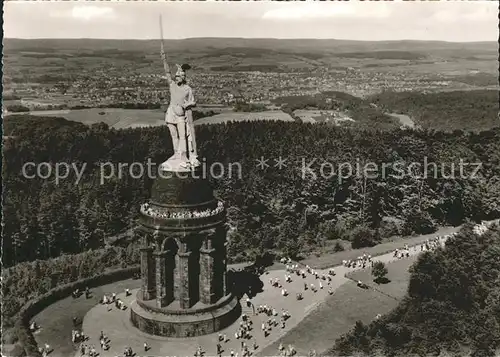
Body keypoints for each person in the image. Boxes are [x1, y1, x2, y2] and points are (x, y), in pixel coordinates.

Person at [160, 50, 199, 168]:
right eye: (176, 76)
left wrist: (188, 105)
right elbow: (167, 72)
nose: (176, 78)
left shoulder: (188, 89)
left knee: (183, 136)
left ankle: (183, 156)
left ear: (183, 77)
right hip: (171, 113)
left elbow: (193, 101)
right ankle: (177, 154)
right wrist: (164, 59)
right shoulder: (172, 85)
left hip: (181, 115)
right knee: (173, 135)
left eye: (179, 77)